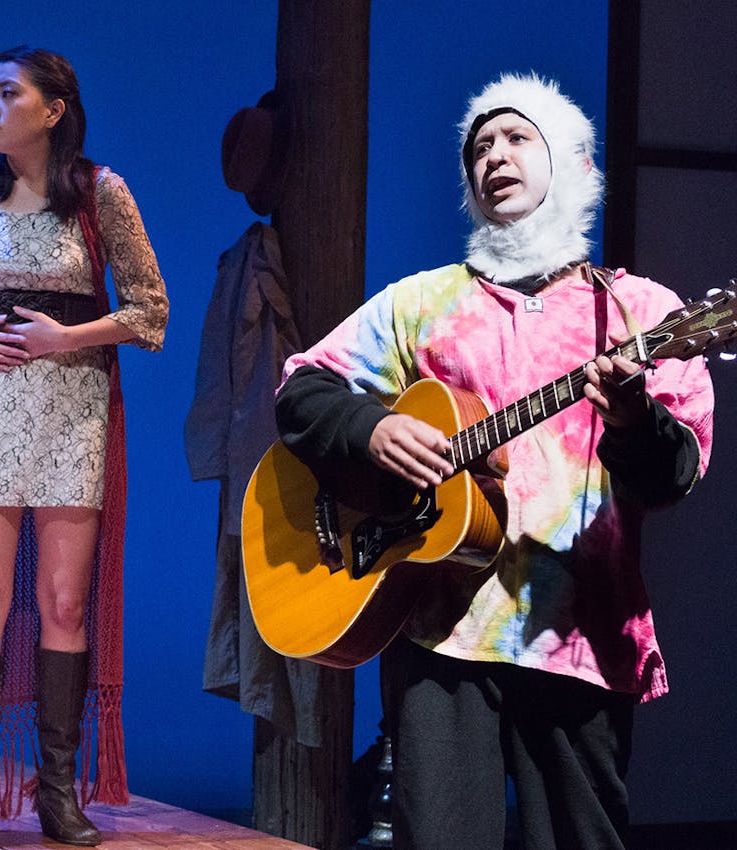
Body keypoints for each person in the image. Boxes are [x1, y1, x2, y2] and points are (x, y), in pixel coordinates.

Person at [274, 74, 714, 849]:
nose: (493, 155)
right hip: (439, 632)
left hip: (580, 636)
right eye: (480, 146)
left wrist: (634, 417)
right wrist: (371, 431)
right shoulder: (424, 301)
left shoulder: (642, 311)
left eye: (516, 138)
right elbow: (302, 389)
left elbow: (670, 477)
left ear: (574, 164)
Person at [0, 46, 168, 850]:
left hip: (73, 407)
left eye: (7, 94)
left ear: (52, 110)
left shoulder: (100, 193)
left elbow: (150, 311)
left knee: (63, 604)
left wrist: (64, 336)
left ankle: (58, 793)